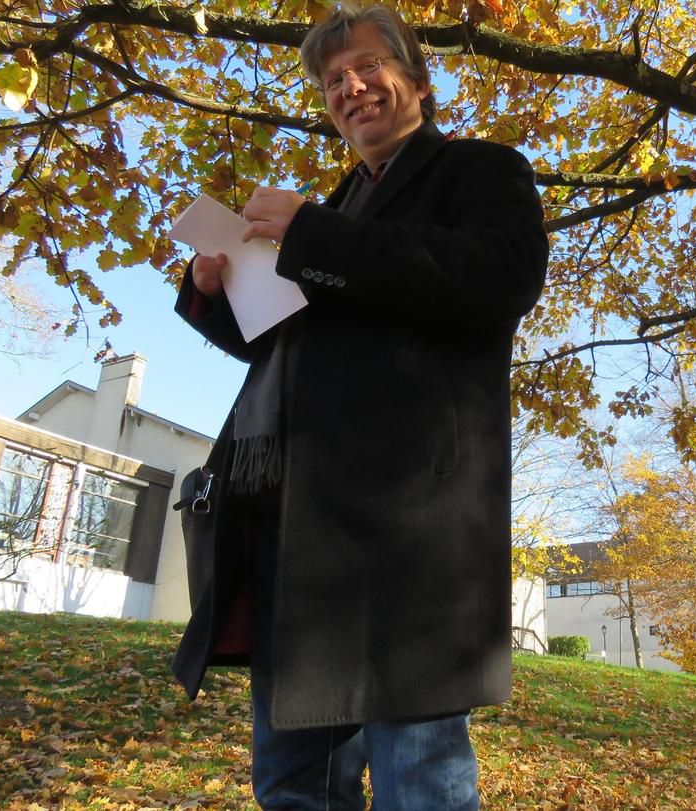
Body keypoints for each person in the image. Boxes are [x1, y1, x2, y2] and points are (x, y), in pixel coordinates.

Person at [169, 4, 549, 808]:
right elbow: (292, 341)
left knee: (419, 782)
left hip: (409, 540)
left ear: (415, 77)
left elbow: (499, 278)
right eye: (333, 79)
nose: (351, 86)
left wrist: (315, 235)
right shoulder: (335, 212)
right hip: (299, 539)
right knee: (291, 784)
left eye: (368, 66)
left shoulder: (482, 170)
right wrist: (218, 291)